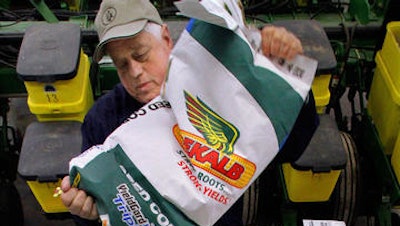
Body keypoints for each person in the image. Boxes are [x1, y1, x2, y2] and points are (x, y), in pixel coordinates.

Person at [60, 0, 315, 225]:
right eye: (122, 64)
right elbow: (89, 204)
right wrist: (84, 212)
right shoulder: (102, 120)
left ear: (166, 38)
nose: (135, 72)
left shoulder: (216, 84)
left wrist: (282, 74)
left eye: (141, 54)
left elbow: (291, 149)